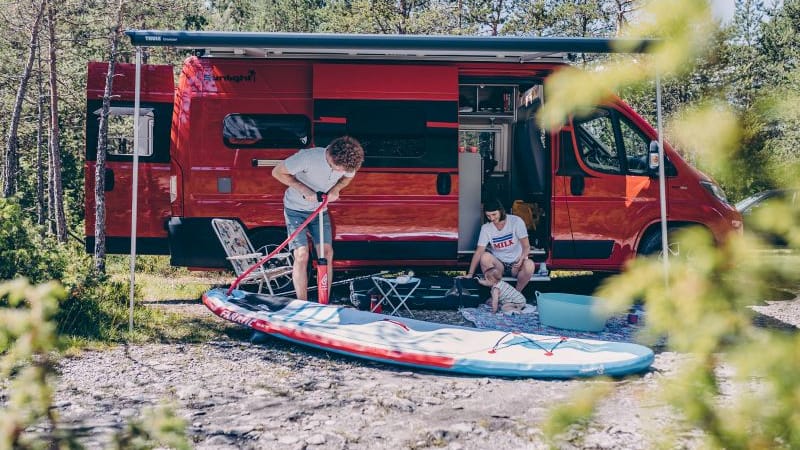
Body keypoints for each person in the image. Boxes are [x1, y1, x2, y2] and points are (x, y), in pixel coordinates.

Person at [272, 136, 364, 300]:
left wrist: (336, 190)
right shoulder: (308, 157)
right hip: (295, 209)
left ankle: (324, 302)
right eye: (337, 168)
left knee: (326, 253)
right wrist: (304, 190)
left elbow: (347, 178)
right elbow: (277, 171)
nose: (339, 172)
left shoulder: (347, 163)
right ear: (330, 155)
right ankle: (302, 303)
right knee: (301, 255)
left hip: (320, 210)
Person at [465, 198, 536, 292]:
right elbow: (479, 252)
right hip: (499, 265)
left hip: (516, 263)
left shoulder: (516, 221)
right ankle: (497, 293)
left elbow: (526, 247)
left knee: (530, 265)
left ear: (501, 211)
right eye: (488, 216)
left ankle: (516, 294)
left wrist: (522, 258)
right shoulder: (486, 228)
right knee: (485, 257)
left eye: (494, 214)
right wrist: (470, 273)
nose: (492, 218)